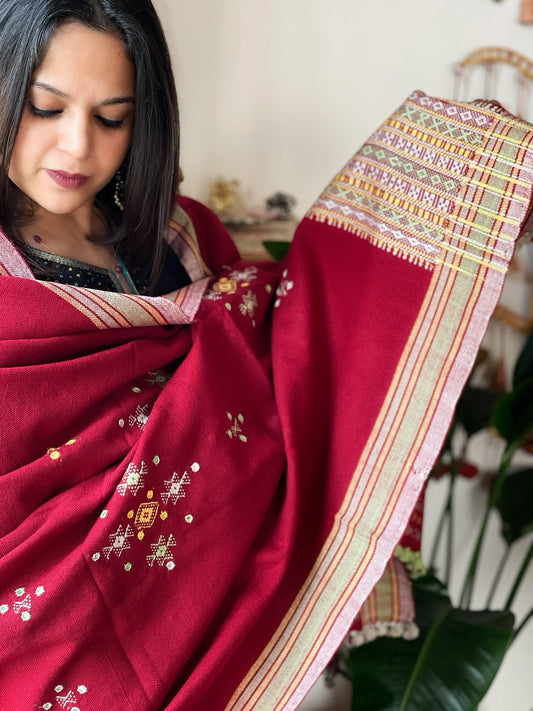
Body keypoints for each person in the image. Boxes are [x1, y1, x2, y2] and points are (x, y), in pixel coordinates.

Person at [0, 1, 531, 709]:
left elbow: (295, 354)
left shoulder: (179, 240)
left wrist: (468, 207)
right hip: (39, 651)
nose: (75, 148)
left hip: (212, 618)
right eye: (45, 108)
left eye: (110, 118)